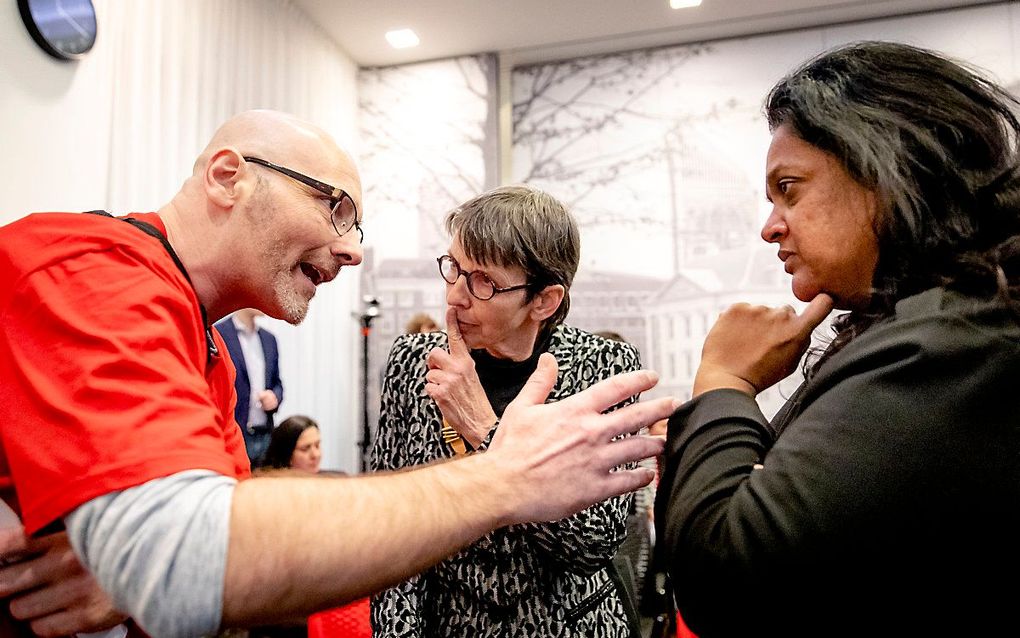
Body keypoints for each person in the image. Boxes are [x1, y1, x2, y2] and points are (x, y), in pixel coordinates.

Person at [0, 109, 674, 638]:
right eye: (336, 207)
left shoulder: (207, 354)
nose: (354, 249)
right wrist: (505, 472)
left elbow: (227, 565)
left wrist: (131, 567)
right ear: (228, 176)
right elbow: (190, 560)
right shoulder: (85, 264)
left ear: (544, 300)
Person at [656, 41, 1020, 637]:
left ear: (887, 172)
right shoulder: (950, 324)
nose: (771, 226)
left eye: (790, 189)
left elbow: (724, 576)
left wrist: (725, 382)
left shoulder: (950, 346)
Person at [371, 186, 643, 637]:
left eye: (483, 282)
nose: (455, 296)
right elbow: (393, 533)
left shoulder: (604, 368)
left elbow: (592, 544)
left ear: (544, 301)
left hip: (569, 627)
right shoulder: (411, 362)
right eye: (453, 268)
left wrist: (485, 430)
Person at [216, 308, 284, 467]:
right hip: (234, 432)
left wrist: (275, 397)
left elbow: (277, 383)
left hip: (265, 432)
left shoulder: (269, 339)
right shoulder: (220, 334)